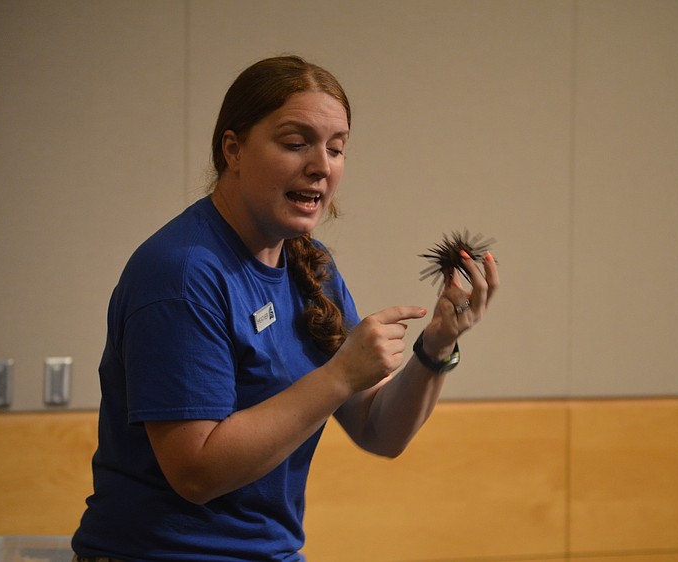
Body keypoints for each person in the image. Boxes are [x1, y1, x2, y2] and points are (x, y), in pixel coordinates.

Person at [71, 55, 499, 561]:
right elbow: (196, 472)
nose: (321, 165)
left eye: (336, 148)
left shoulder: (309, 265)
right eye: (296, 144)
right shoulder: (183, 273)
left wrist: (435, 347)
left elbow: (378, 430)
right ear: (234, 150)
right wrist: (339, 375)